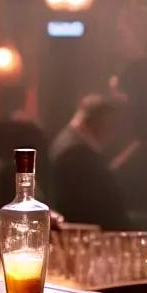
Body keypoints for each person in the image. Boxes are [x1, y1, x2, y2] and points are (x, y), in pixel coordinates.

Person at [49, 93, 131, 229]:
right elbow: (105, 209)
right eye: (111, 124)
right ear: (100, 121)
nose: (113, 132)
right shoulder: (78, 154)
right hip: (87, 234)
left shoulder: (69, 143)